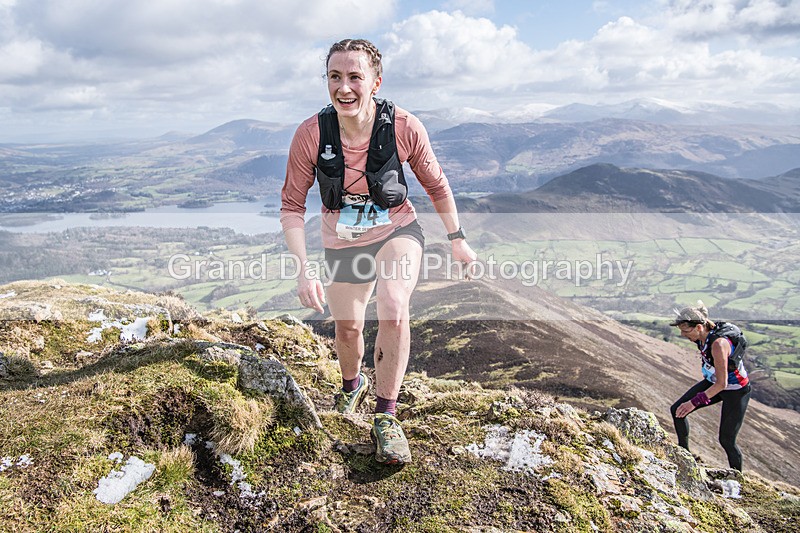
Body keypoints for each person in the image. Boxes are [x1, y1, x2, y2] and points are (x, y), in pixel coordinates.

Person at [280, 38, 477, 465]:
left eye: (355, 77)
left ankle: (386, 416)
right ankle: (353, 386)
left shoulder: (403, 126)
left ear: (375, 82)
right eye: (335, 77)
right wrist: (303, 270)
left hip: (396, 231)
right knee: (347, 330)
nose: (344, 87)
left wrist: (457, 238)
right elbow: (292, 206)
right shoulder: (311, 134)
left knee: (392, 304)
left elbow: (436, 185)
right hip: (342, 242)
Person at [669, 301, 751, 471]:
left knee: (727, 440)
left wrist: (693, 402)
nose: (683, 335)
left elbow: (723, 383)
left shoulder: (718, 345)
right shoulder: (702, 336)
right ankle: (684, 458)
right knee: (677, 410)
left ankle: (737, 479)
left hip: (735, 391)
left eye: (686, 331)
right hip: (714, 382)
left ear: (699, 327)